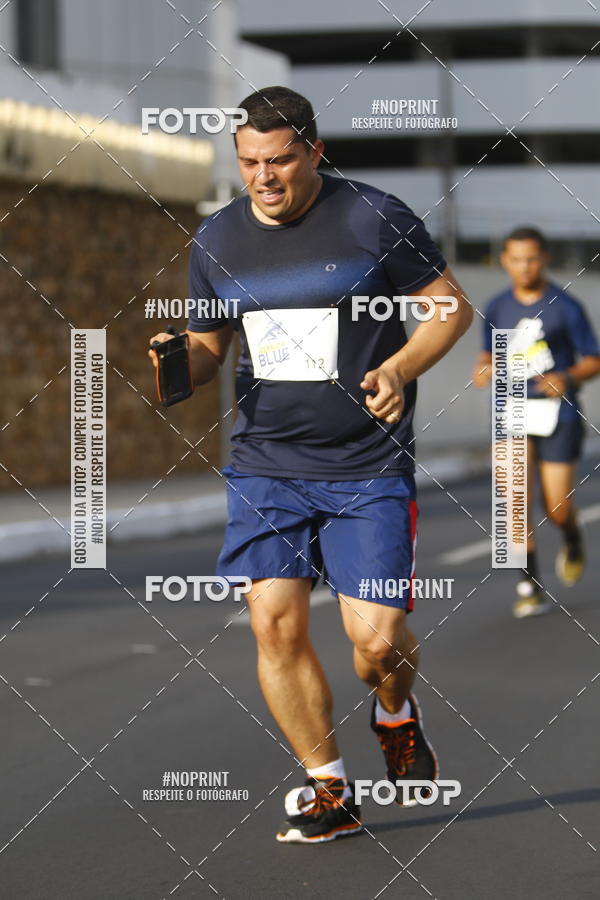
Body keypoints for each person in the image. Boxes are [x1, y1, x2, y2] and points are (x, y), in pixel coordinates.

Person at [149, 86, 473, 843]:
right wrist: (174, 363)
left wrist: (399, 367)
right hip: (266, 465)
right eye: (249, 162)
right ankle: (328, 787)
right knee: (273, 624)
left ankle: (394, 710)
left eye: (280, 159)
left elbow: (448, 305)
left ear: (314, 152)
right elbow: (207, 351)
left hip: (367, 467)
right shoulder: (216, 240)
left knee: (376, 639)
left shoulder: (373, 215)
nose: (264, 176)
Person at [472, 227, 600, 618]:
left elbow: (593, 359)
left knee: (557, 505)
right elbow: (486, 356)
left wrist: (567, 377)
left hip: (556, 415)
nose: (523, 266)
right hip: (512, 411)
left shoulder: (566, 306)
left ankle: (571, 535)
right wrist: (484, 367)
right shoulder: (496, 307)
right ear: (504, 261)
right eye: (515, 259)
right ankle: (529, 584)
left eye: (531, 258)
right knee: (512, 500)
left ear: (543, 259)